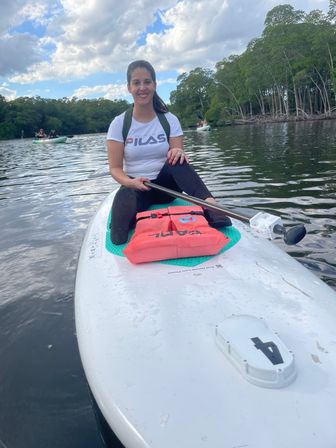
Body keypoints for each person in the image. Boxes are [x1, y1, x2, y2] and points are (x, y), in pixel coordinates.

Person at [106, 60, 231, 245]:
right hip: (137, 187)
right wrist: (129, 182)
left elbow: (177, 153)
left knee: (178, 160)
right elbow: (115, 169)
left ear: (154, 85)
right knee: (117, 237)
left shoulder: (169, 120)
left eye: (147, 82)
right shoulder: (119, 123)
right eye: (137, 83)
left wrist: (178, 150)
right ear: (129, 88)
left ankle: (211, 206)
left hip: (167, 188)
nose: (142, 88)